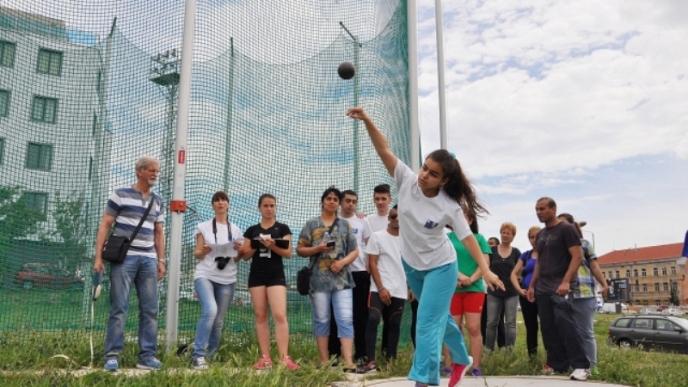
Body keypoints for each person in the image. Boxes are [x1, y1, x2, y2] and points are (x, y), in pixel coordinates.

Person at [346, 107, 504, 387]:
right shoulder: (406, 180)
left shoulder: (449, 206)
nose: (424, 175)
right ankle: (461, 358)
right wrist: (369, 120)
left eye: (433, 174)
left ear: (444, 180)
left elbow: (468, 239)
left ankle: (425, 381)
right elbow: (383, 148)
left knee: (427, 323)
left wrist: (486, 271)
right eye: (424, 168)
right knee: (439, 318)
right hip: (413, 266)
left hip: (441, 268)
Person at [93, 156, 166, 372]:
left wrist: (161, 260)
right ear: (139, 171)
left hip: (149, 260)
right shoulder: (120, 194)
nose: (155, 174)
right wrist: (98, 258)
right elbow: (105, 226)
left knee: (150, 309)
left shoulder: (158, 201)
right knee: (119, 307)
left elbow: (159, 233)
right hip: (125, 259)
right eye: (151, 170)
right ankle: (112, 355)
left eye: (157, 171)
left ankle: (147, 356)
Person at [526, 197, 590, 381]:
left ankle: (581, 366)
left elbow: (577, 257)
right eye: (537, 209)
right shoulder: (541, 235)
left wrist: (566, 281)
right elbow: (539, 263)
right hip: (543, 288)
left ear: (554, 209)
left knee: (566, 324)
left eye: (543, 209)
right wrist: (532, 285)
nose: (539, 212)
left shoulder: (567, 229)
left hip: (561, 286)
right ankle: (556, 364)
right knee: (548, 328)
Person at [296, 186, 359, 371]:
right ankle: (324, 360)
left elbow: (355, 250)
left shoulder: (344, 225)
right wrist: (317, 249)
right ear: (322, 201)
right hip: (318, 280)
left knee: (345, 318)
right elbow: (300, 249)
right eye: (329, 198)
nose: (332, 201)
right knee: (322, 319)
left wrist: (342, 263)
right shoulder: (311, 224)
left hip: (342, 280)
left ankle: (348, 361)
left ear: (338, 204)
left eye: (335, 199)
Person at [241, 194, 299, 370]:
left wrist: (272, 244)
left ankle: (284, 358)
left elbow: (288, 252)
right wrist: (258, 244)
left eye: (272, 206)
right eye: (265, 206)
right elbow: (244, 254)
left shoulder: (282, 228)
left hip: (276, 276)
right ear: (259, 208)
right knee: (261, 316)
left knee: (280, 315)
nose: (269, 209)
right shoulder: (252, 230)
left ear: (276, 208)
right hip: (257, 276)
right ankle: (265, 358)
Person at [190, 191, 245, 369]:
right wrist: (205, 251)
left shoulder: (236, 230)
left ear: (228, 204)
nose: (220, 203)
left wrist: (237, 250)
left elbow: (237, 258)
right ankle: (198, 355)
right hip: (205, 274)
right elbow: (198, 253)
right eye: (217, 200)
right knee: (210, 311)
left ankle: (211, 356)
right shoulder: (203, 227)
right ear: (213, 205)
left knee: (218, 321)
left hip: (227, 278)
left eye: (223, 200)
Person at [442, 209, 491, 377]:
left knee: (473, 328)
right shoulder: (447, 238)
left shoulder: (479, 239)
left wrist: (471, 279)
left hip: (474, 289)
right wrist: (460, 277)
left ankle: (476, 367)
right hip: (452, 288)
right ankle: (450, 366)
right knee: (452, 328)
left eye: (464, 217)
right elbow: (444, 259)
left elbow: (485, 262)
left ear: (470, 220)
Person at [558, 213, 608, 373]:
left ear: (573, 226)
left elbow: (594, 266)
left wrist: (604, 284)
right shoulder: (557, 246)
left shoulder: (584, 244)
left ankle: (591, 367)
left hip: (584, 293)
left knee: (586, 332)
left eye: (565, 224)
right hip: (563, 293)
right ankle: (573, 366)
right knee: (567, 333)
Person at [328, 190, 372, 364]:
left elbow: (370, 245)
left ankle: (360, 354)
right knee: (335, 315)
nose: (351, 204)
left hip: (359, 273)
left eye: (354, 201)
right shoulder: (333, 221)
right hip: (337, 272)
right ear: (341, 202)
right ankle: (334, 355)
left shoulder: (363, 221)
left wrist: (369, 264)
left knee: (360, 315)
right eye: (347, 201)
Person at [361, 205, 405, 373]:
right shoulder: (377, 236)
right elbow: (372, 263)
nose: (397, 219)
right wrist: (380, 288)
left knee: (394, 324)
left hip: (400, 288)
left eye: (400, 216)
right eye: (393, 216)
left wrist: (411, 287)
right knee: (373, 319)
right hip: (378, 287)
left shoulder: (409, 239)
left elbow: (414, 264)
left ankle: (390, 362)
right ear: (389, 218)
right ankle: (370, 361)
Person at [485, 222, 521, 350]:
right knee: (491, 323)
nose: (505, 235)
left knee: (510, 324)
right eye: (503, 232)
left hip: (511, 292)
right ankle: (488, 350)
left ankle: (509, 351)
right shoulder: (492, 250)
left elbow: (520, 271)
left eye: (508, 233)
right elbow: (485, 267)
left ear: (513, 236)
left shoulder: (516, 252)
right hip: (494, 291)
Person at [510, 226, 542, 356]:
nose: (534, 240)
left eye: (537, 237)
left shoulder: (548, 253)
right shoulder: (526, 255)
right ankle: (532, 357)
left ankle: (552, 359)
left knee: (547, 327)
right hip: (526, 295)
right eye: (532, 237)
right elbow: (513, 274)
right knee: (531, 327)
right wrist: (519, 289)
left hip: (543, 294)